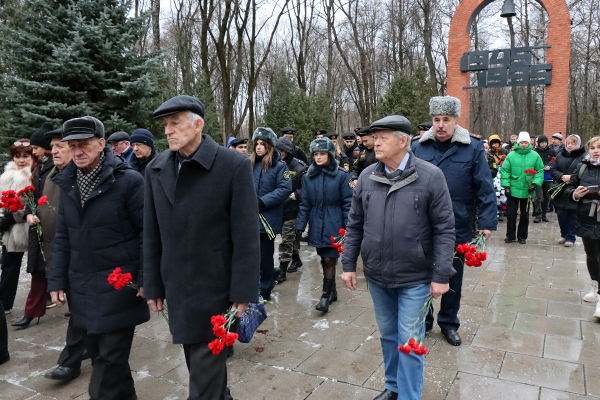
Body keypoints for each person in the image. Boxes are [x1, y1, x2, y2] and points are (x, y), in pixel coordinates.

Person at [144, 95, 260, 400]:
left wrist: (243, 292)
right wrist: (153, 285)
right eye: (165, 125)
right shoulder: (156, 168)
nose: (167, 131)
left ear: (198, 125)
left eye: (175, 123)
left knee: (204, 379)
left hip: (215, 288)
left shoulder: (232, 165)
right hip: (178, 288)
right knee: (199, 365)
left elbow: (246, 235)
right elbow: (152, 233)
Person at [342, 115, 455, 400]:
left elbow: (444, 228)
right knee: (389, 335)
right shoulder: (367, 177)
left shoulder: (430, 176)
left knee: (409, 341)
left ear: (402, 141)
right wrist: (348, 265)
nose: (374, 142)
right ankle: (393, 386)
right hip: (378, 275)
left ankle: (409, 395)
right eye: (374, 137)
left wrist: (441, 275)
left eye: (382, 137)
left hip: (415, 276)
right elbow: (354, 225)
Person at [48, 116, 149, 400]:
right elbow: (64, 237)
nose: (77, 152)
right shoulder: (66, 184)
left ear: (102, 144)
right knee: (104, 358)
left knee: (107, 364)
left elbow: (148, 234)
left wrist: (145, 278)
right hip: (82, 288)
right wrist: (56, 280)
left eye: (84, 145)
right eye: (73, 146)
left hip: (120, 287)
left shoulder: (129, 181)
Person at [411, 96, 496, 346]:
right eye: (436, 120)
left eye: (446, 120)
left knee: (453, 277)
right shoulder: (419, 147)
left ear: (455, 121)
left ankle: (448, 323)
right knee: (422, 274)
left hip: (458, 224)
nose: (440, 125)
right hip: (422, 225)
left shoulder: (472, 147)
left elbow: (485, 187)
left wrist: (487, 222)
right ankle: (424, 320)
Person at [42, 127, 88, 382]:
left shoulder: (85, 180)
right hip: (57, 252)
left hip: (81, 258)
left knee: (80, 309)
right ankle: (88, 346)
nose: (54, 151)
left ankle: (70, 360)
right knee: (80, 309)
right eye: (53, 146)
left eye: (61, 146)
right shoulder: (51, 176)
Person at [296, 137, 353, 312]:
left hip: (335, 224)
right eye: (315, 154)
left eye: (322, 154)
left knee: (329, 259)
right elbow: (305, 203)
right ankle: (333, 290)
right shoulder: (308, 177)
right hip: (316, 223)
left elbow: (348, 203)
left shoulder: (342, 175)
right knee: (323, 258)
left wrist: (349, 228)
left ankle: (325, 296)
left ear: (329, 154)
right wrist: (299, 226)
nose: (318, 157)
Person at [12, 123, 55, 328]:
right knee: (38, 272)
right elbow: (33, 195)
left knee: (63, 270)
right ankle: (31, 312)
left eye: (35, 146)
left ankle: (76, 311)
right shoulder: (39, 167)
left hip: (55, 226)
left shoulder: (58, 166)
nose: (32, 150)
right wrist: (29, 214)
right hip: (39, 227)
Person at [250, 127, 292, 300]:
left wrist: (263, 201)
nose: (258, 147)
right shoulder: (249, 164)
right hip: (250, 218)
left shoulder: (279, 166)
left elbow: (285, 189)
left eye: (262, 144)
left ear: (270, 146)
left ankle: (265, 289)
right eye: (256, 144)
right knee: (252, 256)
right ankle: (254, 286)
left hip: (267, 219)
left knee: (265, 257)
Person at [565, 136, 600, 317]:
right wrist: (575, 194)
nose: (596, 150)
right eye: (592, 147)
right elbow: (569, 188)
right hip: (586, 216)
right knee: (592, 255)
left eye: (599, 147)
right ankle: (595, 285)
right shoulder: (582, 166)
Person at [0, 139, 36, 315]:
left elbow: (35, 204)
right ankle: (4, 304)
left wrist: (15, 216)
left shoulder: (35, 174)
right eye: (17, 156)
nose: (21, 160)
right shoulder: (7, 175)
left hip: (29, 226)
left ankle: (47, 298)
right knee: (8, 267)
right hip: (10, 229)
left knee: (39, 267)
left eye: (26, 156)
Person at [500, 131, 544, 245]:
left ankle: (522, 236)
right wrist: (506, 186)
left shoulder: (535, 156)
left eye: (525, 142)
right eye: (521, 142)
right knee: (511, 214)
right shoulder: (511, 155)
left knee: (525, 215)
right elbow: (505, 170)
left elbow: (539, 170)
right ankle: (510, 235)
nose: (523, 145)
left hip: (527, 190)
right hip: (513, 188)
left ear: (529, 143)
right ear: (518, 143)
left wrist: (535, 183)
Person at [274, 137, 307, 283]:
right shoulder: (273, 164)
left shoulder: (299, 167)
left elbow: (307, 187)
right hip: (278, 207)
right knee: (290, 238)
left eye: (282, 151)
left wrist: (298, 194)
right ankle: (297, 259)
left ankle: (282, 270)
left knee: (286, 239)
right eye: (278, 150)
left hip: (293, 209)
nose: (280, 153)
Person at [550, 134, 586, 247]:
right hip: (560, 190)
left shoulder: (583, 157)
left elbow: (584, 172)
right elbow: (553, 170)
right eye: (568, 143)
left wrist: (571, 177)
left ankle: (571, 236)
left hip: (574, 190)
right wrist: (562, 176)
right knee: (561, 213)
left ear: (578, 144)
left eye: (573, 143)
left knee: (572, 214)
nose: (570, 146)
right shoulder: (560, 155)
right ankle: (563, 234)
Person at [532, 135, 556, 223]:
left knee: (547, 196)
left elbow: (556, 162)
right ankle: (538, 214)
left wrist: (550, 166)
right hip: (538, 177)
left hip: (548, 177)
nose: (544, 144)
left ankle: (544, 214)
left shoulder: (552, 151)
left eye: (545, 142)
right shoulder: (534, 152)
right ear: (538, 143)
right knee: (538, 196)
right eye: (542, 143)